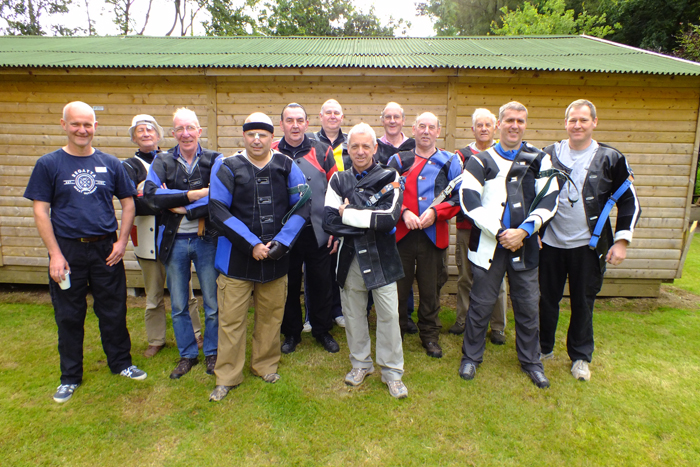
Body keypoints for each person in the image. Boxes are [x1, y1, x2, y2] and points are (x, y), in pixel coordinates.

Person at [24, 101, 146, 403]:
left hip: (106, 248)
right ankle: (70, 377)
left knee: (114, 309)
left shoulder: (111, 163)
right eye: (76, 124)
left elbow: (128, 202)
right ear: (64, 125)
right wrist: (55, 254)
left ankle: (121, 363)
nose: (82, 130)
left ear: (95, 127)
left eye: (88, 124)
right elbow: (41, 212)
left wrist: (120, 242)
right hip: (67, 250)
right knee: (68, 314)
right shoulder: (49, 164)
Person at [208, 113, 311, 401]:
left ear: (271, 136)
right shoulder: (227, 167)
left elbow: (303, 204)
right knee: (231, 320)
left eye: (262, 134)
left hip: (276, 257)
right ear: (244, 136)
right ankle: (227, 375)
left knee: (270, 316)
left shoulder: (286, 165)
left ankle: (265, 365)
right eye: (251, 133)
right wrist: (252, 243)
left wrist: (283, 241)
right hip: (235, 258)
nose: (256, 139)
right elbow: (217, 210)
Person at [458, 101, 560, 389]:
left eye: (520, 121)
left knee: (528, 306)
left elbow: (550, 198)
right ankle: (471, 357)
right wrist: (502, 231)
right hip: (489, 246)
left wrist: (524, 231)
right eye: (509, 120)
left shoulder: (539, 159)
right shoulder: (480, 161)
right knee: (480, 306)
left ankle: (531, 362)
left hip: (524, 246)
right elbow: (469, 200)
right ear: (499, 124)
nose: (515, 125)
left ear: (525, 125)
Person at [539, 99, 641, 382]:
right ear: (565, 123)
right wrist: (533, 232)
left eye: (584, 120)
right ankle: (543, 348)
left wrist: (621, 241)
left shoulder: (610, 158)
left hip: (589, 245)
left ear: (594, 122)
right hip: (550, 242)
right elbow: (532, 196)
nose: (577, 125)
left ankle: (581, 357)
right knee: (547, 299)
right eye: (573, 120)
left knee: (583, 301)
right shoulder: (548, 155)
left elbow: (630, 202)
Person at [324, 123, 408, 399]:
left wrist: (348, 213)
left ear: (375, 148)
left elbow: (388, 220)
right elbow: (328, 221)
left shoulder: (390, 175)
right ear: (348, 149)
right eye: (355, 146)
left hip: (382, 257)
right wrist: (366, 217)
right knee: (353, 315)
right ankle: (360, 364)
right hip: (349, 259)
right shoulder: (338, 179)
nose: (360, 152)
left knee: (389, 315)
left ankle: (392, 372)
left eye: (366, 146)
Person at [143, 108, 221, 379]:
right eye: (180, 129)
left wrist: (178, 203)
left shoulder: (215, 160)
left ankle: (212, 352)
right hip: (174, 241)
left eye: (190, 128)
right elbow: (151, 197)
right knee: (178, 304)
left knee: (212, 302)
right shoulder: (161, 160)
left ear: (199, 131)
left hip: (206, 239)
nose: (185, 134)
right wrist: (197, 193)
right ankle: (187, 355)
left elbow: (221, 198)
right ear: (173, 133)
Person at [122, 114, 203, 358]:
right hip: (147, 238)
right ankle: (156, 338)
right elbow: (139, 202)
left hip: (175, 234)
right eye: (140, 131)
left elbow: (184, 193)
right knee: (154, 293)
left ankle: (195, 333)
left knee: (185, 291)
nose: (146, 134)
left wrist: (163, 196)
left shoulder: (171, 159)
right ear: (134, 137)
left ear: (159, 134)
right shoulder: (128, 166)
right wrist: (170, 198)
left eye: (150, 130)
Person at [387, 112, 462, 359]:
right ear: (414, 129)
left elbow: (459, 197)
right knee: (398, 289)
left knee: (431, 289)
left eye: (431, 127)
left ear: (438, 131)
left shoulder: (450, 161)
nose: (426, 131)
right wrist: (404, 212)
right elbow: (387, 192)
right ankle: (394, 333)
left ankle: (429, 335)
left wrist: (436, 212)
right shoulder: (399, 160)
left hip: (434, 235)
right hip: (401, 235)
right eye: (422, 126)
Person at [273, 103, 341, 354]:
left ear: (306, 123)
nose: (294, 125)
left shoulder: (323, 151)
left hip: (317, 229)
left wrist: (334, 228)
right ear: (281, 125)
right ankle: (291, 332)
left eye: (299, 120)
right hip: (284, 232)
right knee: (288, 284)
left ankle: (322, 330)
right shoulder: (271, 152)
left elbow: (336, 191)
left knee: (322, 283)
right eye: (289, 120)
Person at [450, 109, 508, 344]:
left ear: (495, 126)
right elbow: (455, 191)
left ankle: (498, 327)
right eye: (479, 125)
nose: (484, 128)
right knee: (466, 276)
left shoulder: (503, 155)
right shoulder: (462, 156)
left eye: (488, 124)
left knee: (497, 280)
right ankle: (463, 319)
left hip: (497, 229)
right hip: (468, 227)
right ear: (472, 129)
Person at [374, 102, 418, 333]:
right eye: (388, 116)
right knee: (376, 261)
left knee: (402, 266)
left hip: (404, 217)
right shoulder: (375, 146)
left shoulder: (414, 147)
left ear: (403, 120)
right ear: (382, 120)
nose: (392, 120)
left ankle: (405, 314)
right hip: (380, 213)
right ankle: (375, 310)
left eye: (396, 117)